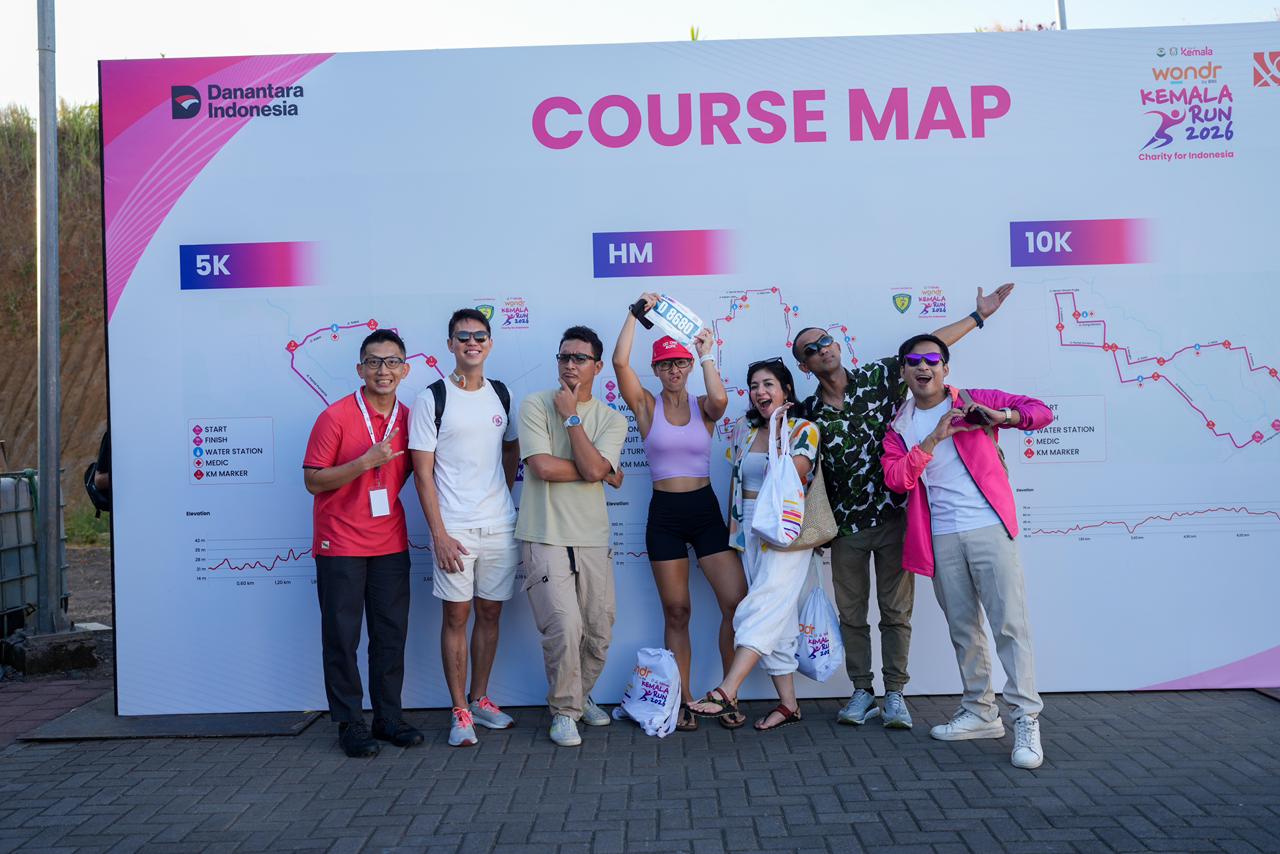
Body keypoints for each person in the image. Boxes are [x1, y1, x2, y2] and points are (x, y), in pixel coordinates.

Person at [792, 283, 1015, 730]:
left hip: (896, 518)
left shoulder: (878, 377)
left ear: (837, 345)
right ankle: (862, 691)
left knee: (896, 613)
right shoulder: (808, 410)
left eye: (825, 341)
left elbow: (929, 349)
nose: (822, 350)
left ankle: (894, 693)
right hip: (845, 528)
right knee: (852, 615)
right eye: (811, 350)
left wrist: (978, 317)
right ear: (805, 365)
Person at [881, 333, 1052, 769]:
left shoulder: (976, 400)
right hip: (941, 535)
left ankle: (1026, 719)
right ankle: (980, 712)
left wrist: (1003, 416)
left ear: (945, 368)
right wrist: (933, 439)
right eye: (913, 361)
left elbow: (1041, 412)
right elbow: (897, 479)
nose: (923, 367)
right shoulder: (899, 425)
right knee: (963, 629)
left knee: (1009, 626)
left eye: (931, 360)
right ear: (903, 371)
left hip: (989, 526)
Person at [611, 292, 747, 732]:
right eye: (666, 364)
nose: (674, 370)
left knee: (736, 604)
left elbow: (721, 401)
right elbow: (618, 363)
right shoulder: (646, 406)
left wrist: (706, 355)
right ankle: (684, 700)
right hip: (665, 515)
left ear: (689, 367)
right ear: (656, 370)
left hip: (704, 511)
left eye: (680, 363)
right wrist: (635, 315)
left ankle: (727, 695)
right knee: (677, 612)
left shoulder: (703, 407)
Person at [303, 329, 423, 758]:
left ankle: (388, 717)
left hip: (389, 541)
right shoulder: (335, 417)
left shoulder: (411, 418)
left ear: (405, 369)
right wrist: (364, 462)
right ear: (360, 369)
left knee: (390, 635)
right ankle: (350, 722)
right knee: (342, 637)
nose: (382, 370)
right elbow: (313, 480)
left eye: (392, 362)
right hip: (340, 544)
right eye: (374, 362)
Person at [687, 359, 820, 732]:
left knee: (761, 607)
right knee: (778, 617)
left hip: (786, 531)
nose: (760, 391)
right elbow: (736, 481)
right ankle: (789, 705)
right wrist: (734, 532)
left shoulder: (804, 429)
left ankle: (727, 690)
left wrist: (778, 430)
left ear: (786, 389)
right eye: (754, 385)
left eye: (768, 384)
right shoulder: (744, 430)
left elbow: (793, 474)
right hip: (749, 530)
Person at [409, 308, 520, 748]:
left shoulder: (502, 394)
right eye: (463, 336)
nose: (472, 342)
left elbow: (510, 451)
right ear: (450, 345)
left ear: (489, 343)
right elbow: (422, 474)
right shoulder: (431, 398)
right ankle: (459, 711)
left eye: (479, 336)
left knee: (490, 613)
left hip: (499, 525)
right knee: (456, 616)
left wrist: (500, 496)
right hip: (454, 528)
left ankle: (480, 698)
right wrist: (438, 533)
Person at [516, 326, 628, 748]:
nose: (570, 365)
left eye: (580, 358)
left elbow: (598, 469)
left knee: (599, 629)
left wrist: (573, 419)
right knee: (564, 626)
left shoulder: (612, 419)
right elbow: (543, 468)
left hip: (592, 537)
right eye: (564, 357)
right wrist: (597, 470)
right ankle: (565, 712)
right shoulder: (534, 404)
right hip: (544, 534)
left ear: (597, 367)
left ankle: (580, 697)